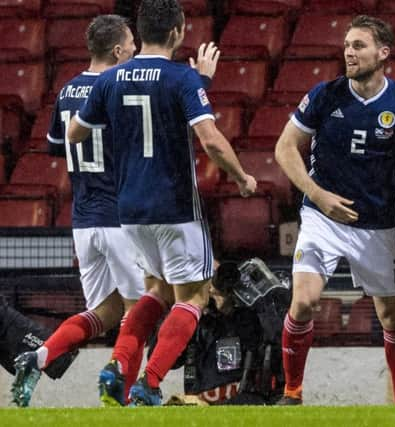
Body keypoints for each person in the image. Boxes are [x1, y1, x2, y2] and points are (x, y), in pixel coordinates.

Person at [67, 0, 257, 406]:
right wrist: (242, 177)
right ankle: (149, 383)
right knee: (194, 296)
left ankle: (118, 366)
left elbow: (76, 133)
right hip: (174, 207)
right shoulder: (183, 77)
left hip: (129, 209)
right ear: (178, 31)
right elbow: (209, 138)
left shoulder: (110, 80)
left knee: (156, 291)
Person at [274, 15, 395, 406]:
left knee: (394, 320)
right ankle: (292, 393)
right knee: (304, 301)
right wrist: (318, 195)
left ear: (383, 52)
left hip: (376, 226)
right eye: (346, 44)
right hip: (321, 218)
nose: (349, 51)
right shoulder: (325, 95)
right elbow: (284, 148)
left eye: (358, 45)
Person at [10, 15, 141, 408]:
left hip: (84, 221)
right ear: (117, 49)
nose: (135, 48)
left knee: (103, 313)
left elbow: (55, 147)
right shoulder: (118, 88)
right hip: (119, 216)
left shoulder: (67, 91)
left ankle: (39, 356)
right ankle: (125, 394)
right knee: (139, 312)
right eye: (131, 42)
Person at [152, 259, 291, 406]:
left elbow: (278, 341)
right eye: (207, 280)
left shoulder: (252, 321)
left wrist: (262, 302)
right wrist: (179, 310)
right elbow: (159, 357)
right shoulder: (195, 323)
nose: (214, 288)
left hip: (241, 406)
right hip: (200, 408)